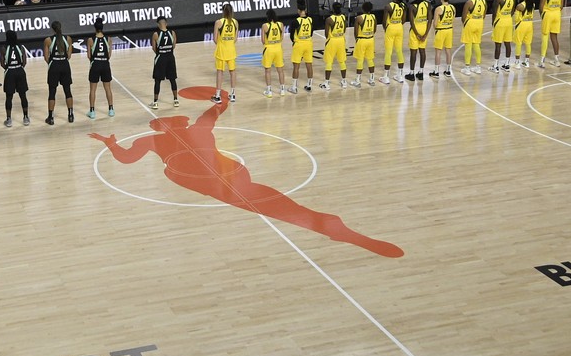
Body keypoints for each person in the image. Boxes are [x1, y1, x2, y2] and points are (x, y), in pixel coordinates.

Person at [88, 94, 404, 257]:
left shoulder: (152, 140)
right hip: (234, 174)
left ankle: (330, 225)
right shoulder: (196, 128)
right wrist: (222, 101)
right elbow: (212, 113)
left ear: (160, 126)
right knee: (272, 202)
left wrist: (110, 144)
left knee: (273, 207)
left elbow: (126, 159)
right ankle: (329, 224)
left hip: (216, 185)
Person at [44, 20, 76, 124]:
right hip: (65, 65)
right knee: (67, 90)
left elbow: (46, 57)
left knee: (52, 92)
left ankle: (51, 117)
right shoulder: (68, 39)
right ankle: (70, 115)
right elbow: (69, 56)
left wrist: (53, 63)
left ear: (52, 29)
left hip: (54, 65)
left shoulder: (48, 40)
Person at [1, 30, 32, 127]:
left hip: (10, 71)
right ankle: (26, 117)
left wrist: (8, 68)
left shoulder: (4, 48)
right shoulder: (21, 47)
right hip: (19, 70)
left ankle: (9, 119)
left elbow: (2, 63)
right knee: (23, 95)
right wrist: (19, 67)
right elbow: (24, 61)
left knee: (9, 97)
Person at [86, 18, 115, 118]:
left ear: (95, 28)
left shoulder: (90, 40)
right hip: (105, 64)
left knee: (93, 89)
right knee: (108, 88)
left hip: (95, 64)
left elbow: (89, 56)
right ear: (102, 28)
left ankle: (92, 111)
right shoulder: (109, 39)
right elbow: (109, 55)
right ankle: (111, 109)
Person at [212, 3, 239, 102]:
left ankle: (218, 96)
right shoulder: (235, 22)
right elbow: (235, 38)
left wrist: (221, 43)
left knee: (220, 72)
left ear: (223, 11)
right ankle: (233, 95)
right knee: (232, 72)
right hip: (231, 50)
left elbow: (215, 39)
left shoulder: (219, 22)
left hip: (221, 50)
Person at [150, 17, 179, 107]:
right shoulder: (172, 33)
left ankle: (155, 102)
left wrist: (161, 53)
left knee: (157, 80)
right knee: (172, 79)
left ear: (158, 24)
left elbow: (154, 48)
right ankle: (176, 100)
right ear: (166, 24)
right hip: (170, 57)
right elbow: (174, 46)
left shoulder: (155, 34)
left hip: (161, 58)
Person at [288, 0, 316, 94]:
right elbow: (311, 32)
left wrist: (295, 41)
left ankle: (294, 87)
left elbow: (291, 35)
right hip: (308, 43)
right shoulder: (310, 19)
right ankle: (309, 85)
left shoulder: (295, 21)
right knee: (309, 65)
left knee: (296, 66)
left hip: (299, 44)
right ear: (306, 9)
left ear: (298, 10)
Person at [460, 0, 487, 75]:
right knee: (476, 44)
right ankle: (478, 67)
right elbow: (484, 15)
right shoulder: (484, 2)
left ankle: (467, 67)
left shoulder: (469, 2)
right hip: (480, 23)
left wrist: (466, 24)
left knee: (468, 45)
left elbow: (463, 17)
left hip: (470, 23)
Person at [321, 2, 348, 90]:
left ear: (332, 9)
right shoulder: (343, 17)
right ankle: (344, 81)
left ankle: (327, 83)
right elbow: (344, 29)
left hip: (332, 41)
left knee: (329, 62)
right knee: (342, 61)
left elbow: (326, 33)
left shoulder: (329, 19)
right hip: (341, 40)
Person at [259, 9, 286, 96]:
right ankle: (282, 90)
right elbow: (282, 38)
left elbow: (263, 40)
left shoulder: (264, 26)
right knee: (280, 70)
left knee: (268, 71)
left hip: (269, 49)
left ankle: (269, 91)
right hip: (278, 48)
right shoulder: (281, 24)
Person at [351, 1, 378, 87]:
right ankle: (372, 79)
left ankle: (358, 81)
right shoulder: (373, 17)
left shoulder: (359, 18)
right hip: (370, 39)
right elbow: (375, 29)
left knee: (360, 60)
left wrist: (357, 40)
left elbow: (355, 32)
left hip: (362, 40)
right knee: (370, 60)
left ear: (362, 8)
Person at [541, 0, 565, 67]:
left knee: (545, 36)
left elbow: (541, 6)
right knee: (554, 37)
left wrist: (543, 16)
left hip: (548, 14)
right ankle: (556, 60)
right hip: (557, 14)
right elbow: (562, 6)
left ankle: (542, 61)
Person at [431, 0, 456, 78]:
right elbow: (453, 20)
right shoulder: (453, 7)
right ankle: (448, 70)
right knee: (448, 51)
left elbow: (435, 23)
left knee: (438, 51)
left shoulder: (438, 9)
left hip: (441, 30)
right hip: (449, 29)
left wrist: (436, 29)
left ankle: (436, 71)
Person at [491, 0, 516, 71]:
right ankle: (507, 64)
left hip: (500, 21)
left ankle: (496, 66)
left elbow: (494, 12)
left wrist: (493, 22)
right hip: (509, 21)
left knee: (498, 44)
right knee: (507, 43)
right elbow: (513, 10)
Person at [406, 0, 429, 81]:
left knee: (413, 52)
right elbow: (430, 20)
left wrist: (416, 34)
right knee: (422, 51)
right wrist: (426, 34)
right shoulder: (428, 5)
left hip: (416, 29)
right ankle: (421, 72)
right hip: (424, 29)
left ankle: (411, 73)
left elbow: (411, 22)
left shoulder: (413, 6)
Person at [514, 0, 535, 68]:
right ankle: (527, 62)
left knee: (518, 43)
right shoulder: (533, 4)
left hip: (521, 24)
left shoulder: (520, 5)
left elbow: (516, 17)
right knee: (528, 43)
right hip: (530, 24)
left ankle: (517, 62)